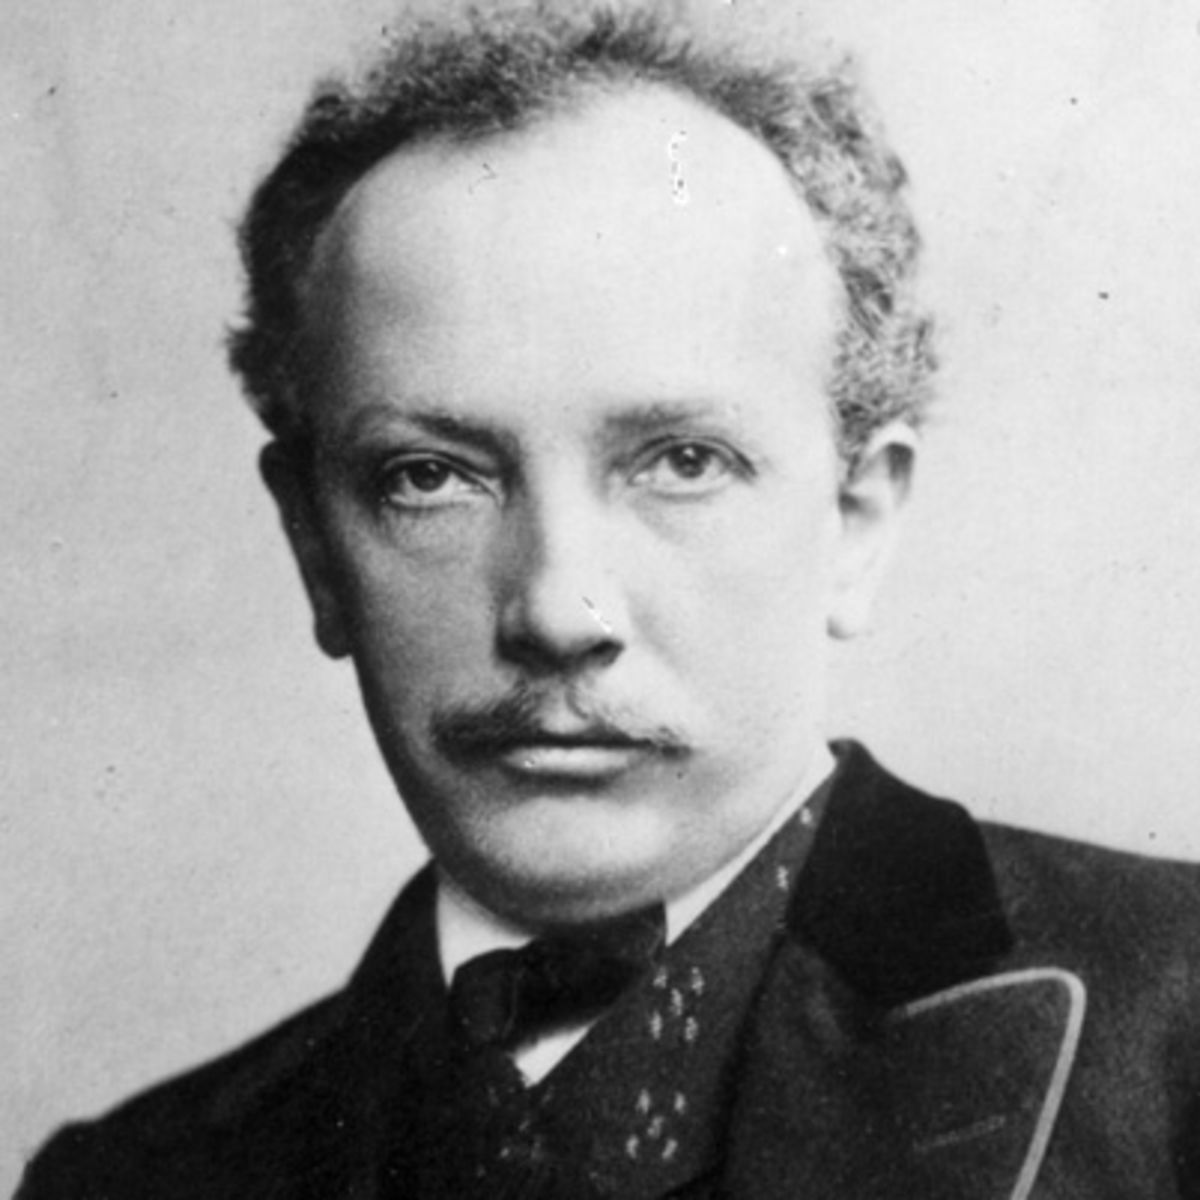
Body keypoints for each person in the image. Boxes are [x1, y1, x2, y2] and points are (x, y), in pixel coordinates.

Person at [19, 2, 1200, 1197]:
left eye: (683, 461)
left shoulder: (1178, 1029)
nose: (557, 610)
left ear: (856, 522)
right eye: (429, 477)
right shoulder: (126, 1182)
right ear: (316, 551)